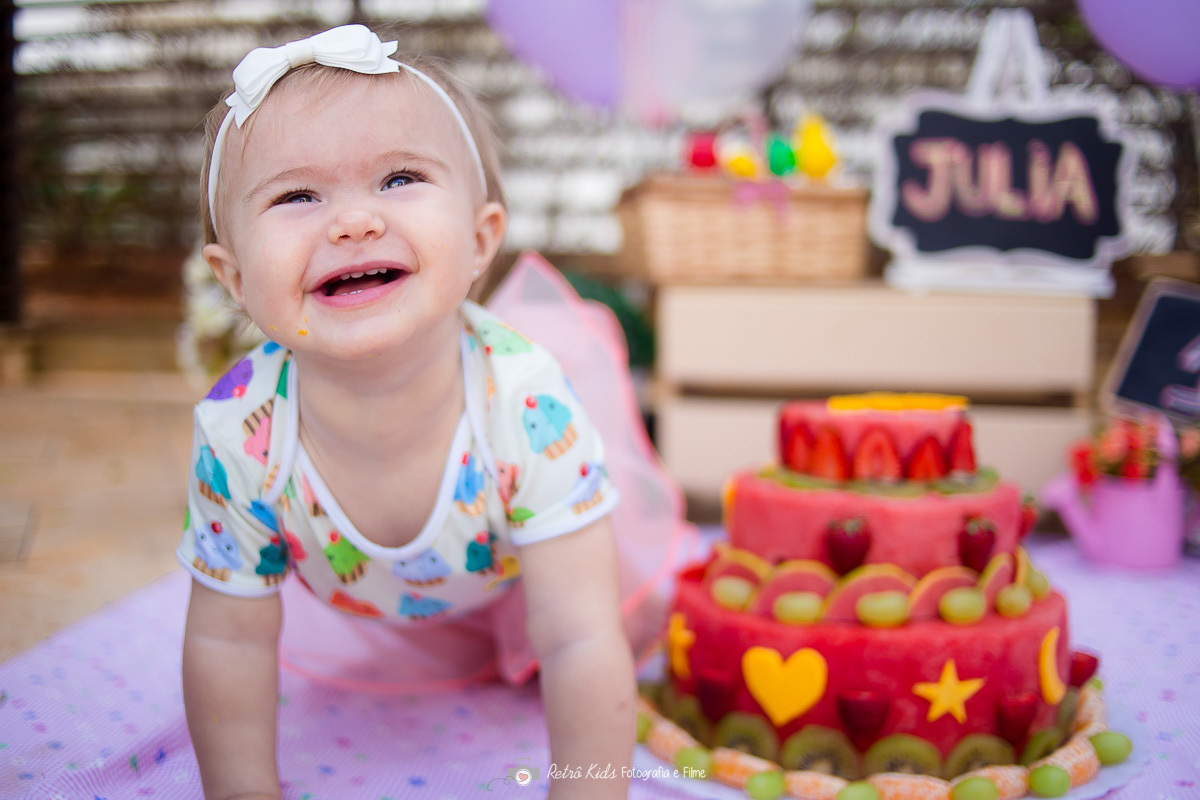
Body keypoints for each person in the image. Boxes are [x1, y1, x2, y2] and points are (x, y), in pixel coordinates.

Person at [178, 24, 665, 800]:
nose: (353, 221)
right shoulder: (241, 435)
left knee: (587, 622)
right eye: (297, 195)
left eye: (399, 178)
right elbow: (226, 642)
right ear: (233, 278)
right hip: (370, 592)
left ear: (481, 241)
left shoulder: (527, 406)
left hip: (512, 563)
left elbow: (580, 637)